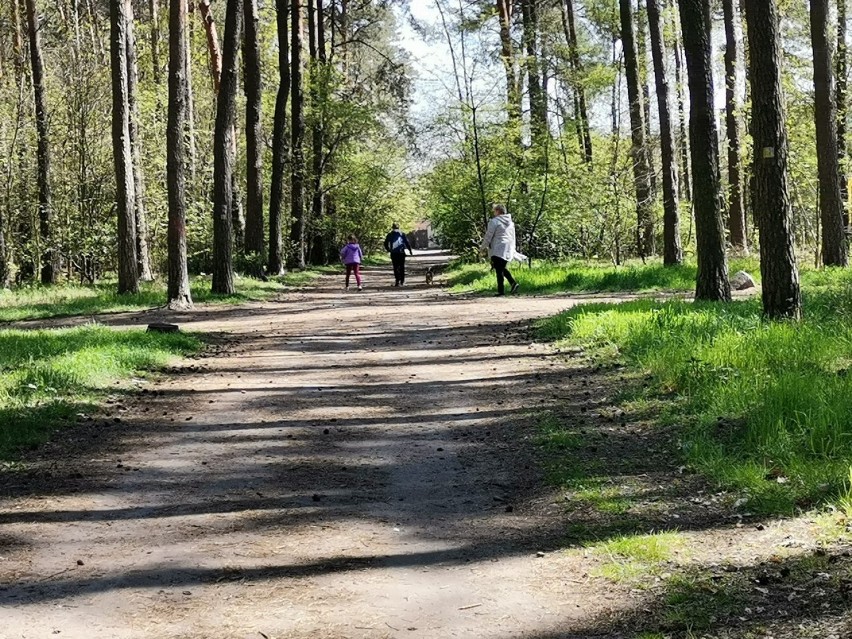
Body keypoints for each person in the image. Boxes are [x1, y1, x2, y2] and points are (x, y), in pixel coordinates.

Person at [481, 203, 519, 295]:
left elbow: (489, 235)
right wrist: (513, 248)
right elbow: (513, 236)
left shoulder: (494, 222)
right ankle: (513, 284)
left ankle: (501, 291)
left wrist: (483, 247)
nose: (494, 213)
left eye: (494, 211)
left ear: (498, 211)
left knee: (499, 269)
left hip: (497, 248)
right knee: (501, 268)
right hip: (507, 247)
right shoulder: (510, 223)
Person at [384, 222, 413, 286]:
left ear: (392, 227)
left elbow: (385, 243)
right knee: (402, 267)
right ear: (398, 227)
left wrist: (388, 249)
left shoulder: (390, 234)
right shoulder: (402, 234)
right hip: (401, 253)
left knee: (395, 267)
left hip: (394, 253)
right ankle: (402, 281)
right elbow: (407, 242)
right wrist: (410, 250)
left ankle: (397, 281)